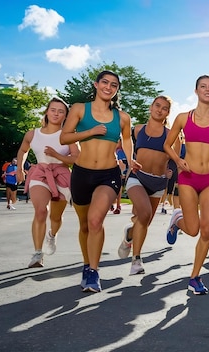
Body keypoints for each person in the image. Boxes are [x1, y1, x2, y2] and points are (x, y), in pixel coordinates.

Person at [61, 70, 137, 293]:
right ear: (96, 84)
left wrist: (131, 161)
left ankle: (94, 271)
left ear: (116, 89)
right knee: (85, 224)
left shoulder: (122, 117)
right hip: (82, 174)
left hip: (108, 174)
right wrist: (90, 132)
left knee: (95, 221)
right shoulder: (79, 109)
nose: (109, 87)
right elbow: (64, 137)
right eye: (105, 82)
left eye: (114, 84)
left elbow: (127, 140)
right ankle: (87, 264)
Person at [163, 74, 209, 295]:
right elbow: (167, 144)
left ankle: (195, 277)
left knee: (206, 230)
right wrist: (177, 160)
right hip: (188, 176)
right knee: (192, 230)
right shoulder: (183, 118)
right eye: (203, 86)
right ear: (196, 91)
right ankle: (177, 219)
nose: (208, 90)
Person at [16, 97, 79, 268]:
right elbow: (22, 150)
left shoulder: (69, 136)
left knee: (56, 217)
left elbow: (76, 158)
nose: (56, 113)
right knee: (41, 211)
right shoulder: (32, 133)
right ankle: (37, 253)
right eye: (53, 110)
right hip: (40, 173)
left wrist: (57, 155)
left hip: (62, 175)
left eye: (61, 111)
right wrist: (20, 168)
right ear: (47, 111)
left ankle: (51, 235)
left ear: (65, 115)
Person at [117, 96, 174, 275]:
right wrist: (127, 161)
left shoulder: (171, 134)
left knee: (145, 222)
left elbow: (176, 159)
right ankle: (136, 260)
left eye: (164, 108)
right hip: (137, 177)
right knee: (144, 213)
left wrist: (170, 170)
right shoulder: (138, 130)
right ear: (151, 107)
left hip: (158, 182)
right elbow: (121, 146)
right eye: (157, 106)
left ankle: (129, 235)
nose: (160, 110)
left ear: (167, 113)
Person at [112, 140, 128, 214]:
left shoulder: (123, 151)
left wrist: (124, 172)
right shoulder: (114, 151)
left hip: (122, 171)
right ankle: (113, 204)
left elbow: (125, 163)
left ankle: (118, 205)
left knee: (119, 188)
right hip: (115, 169)